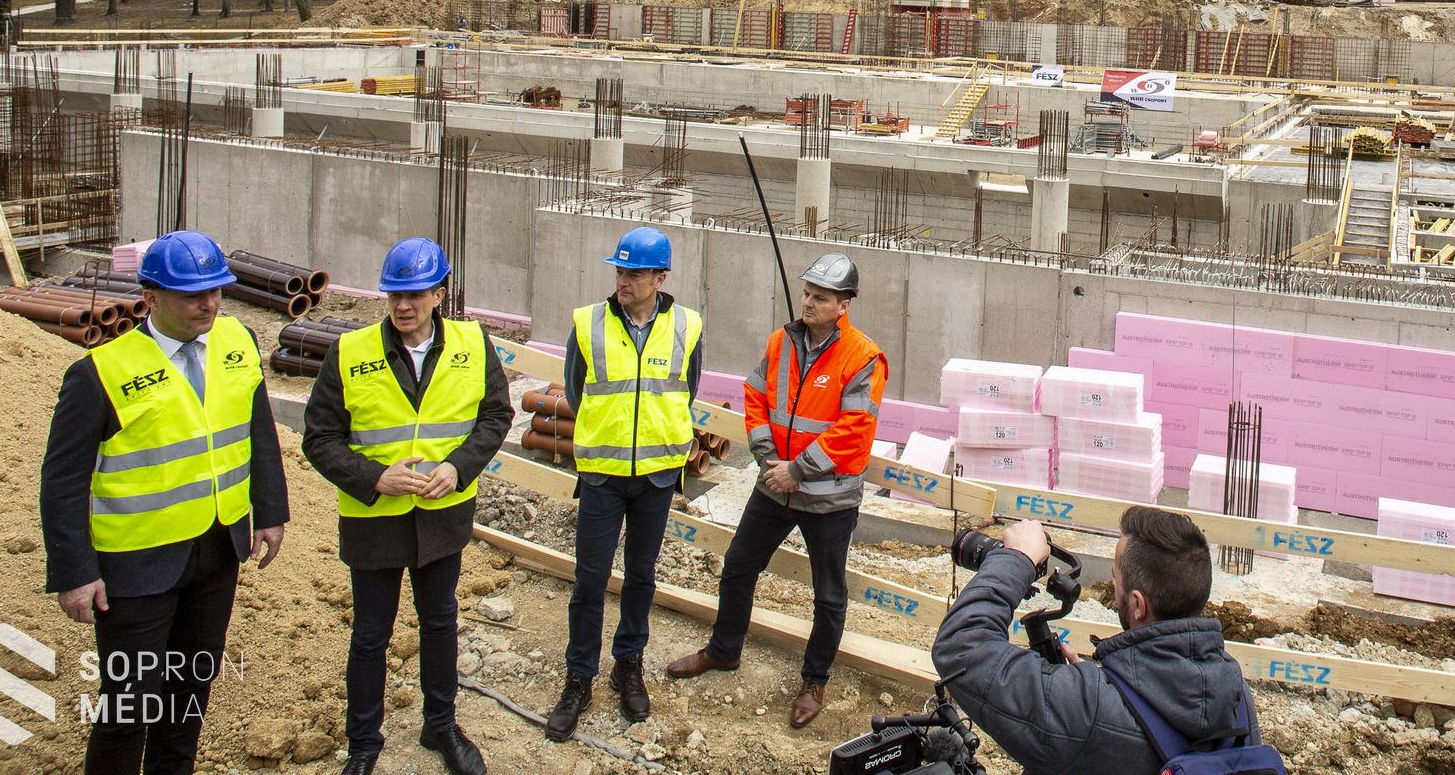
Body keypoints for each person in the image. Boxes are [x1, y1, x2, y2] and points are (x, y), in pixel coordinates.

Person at [38, 229, 290, 775]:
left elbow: (257, 430)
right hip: (135, 567)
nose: (210, 303)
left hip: (217, 549)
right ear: (150, 297)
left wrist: (270, 511)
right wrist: (74, 572)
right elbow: (61, 483)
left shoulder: (237, 340)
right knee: (128, 706)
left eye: (217, 290)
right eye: (192, 294)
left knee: (188, 694)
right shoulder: (100, 373)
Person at [301, 238, 510, 775]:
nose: (403, 306)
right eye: (394, 294)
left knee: (439, 623)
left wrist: (458, 468)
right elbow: (320, 438)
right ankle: (364, 742)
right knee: (371, 634)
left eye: (416, 294)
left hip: (442, 517)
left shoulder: (471, 343)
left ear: (439, 293)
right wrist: (375, 476)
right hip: (374, 521)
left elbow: (495, 416)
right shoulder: (350, 352)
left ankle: (440, 724)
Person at [666, 252, 885, 729]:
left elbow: (855, 428)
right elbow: (756, 398)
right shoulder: (780, 343)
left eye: (820, 297)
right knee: (739, 566)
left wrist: (798, 471)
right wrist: (771, 463)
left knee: (828, 594)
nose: (808, 302)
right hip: (775, 487)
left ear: (843, 305)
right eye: (807, 293)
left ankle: (814, 680)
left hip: (828, 498)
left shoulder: (863, 357)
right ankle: (723, 651)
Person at [931, 507, 1267, 774]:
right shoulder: (1234, 688)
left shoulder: (1086, 708)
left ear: (1137, 606)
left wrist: (1014, 559)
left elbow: (961, 647)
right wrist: (1107, 687)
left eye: (1115, 576)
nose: (1113, 583)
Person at [542, 226, 703, 741]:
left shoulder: (687, 326)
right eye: (620, 270)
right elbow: (575, 387)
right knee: (589, 581)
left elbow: (686, 389)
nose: (624, 280)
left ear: (660, 277)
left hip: (656, 476)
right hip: (602, 476)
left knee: (640, 576)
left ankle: (627, 665)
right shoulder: (588, 323)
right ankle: (579, 677)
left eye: (634, 273)